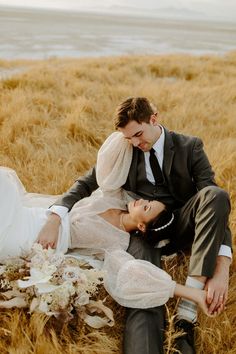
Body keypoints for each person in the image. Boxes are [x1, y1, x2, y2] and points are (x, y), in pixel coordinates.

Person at [37, 97, 232, 354]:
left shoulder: (190, 146)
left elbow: (215, 208)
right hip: (141, 231)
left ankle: (186, 315)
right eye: (129, 139)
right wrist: (55, 217)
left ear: (154, 118)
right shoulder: (126, 148)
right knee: (140, 286)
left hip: (181, 224)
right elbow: (85, 183)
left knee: (216, 195)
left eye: (138, 135)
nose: (136, 144)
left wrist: (222, 267)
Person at [0, 165, 213, 318]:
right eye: (148, 201)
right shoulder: (115, 197)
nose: (142, 201)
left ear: (141, 227)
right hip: (39, 216)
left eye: (146, 208)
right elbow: (110, 157)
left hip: (35, 240)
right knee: (4, 181)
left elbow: (132, 272)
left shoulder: (117, 242)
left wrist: (193, 293)